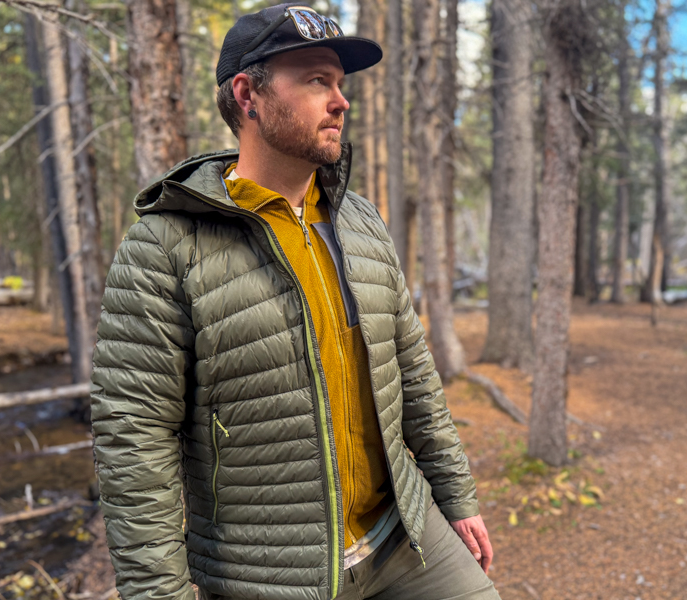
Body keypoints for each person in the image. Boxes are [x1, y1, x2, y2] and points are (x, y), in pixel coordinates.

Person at [90, 4, 500, 600]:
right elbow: (133, 440)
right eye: (316, 80)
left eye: (340, 83)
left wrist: (455, 496)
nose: (341, 101)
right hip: (272, 575)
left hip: (404, 537)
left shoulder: (357, 219)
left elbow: (411, 369)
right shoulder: (165, 244)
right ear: (247, 93)